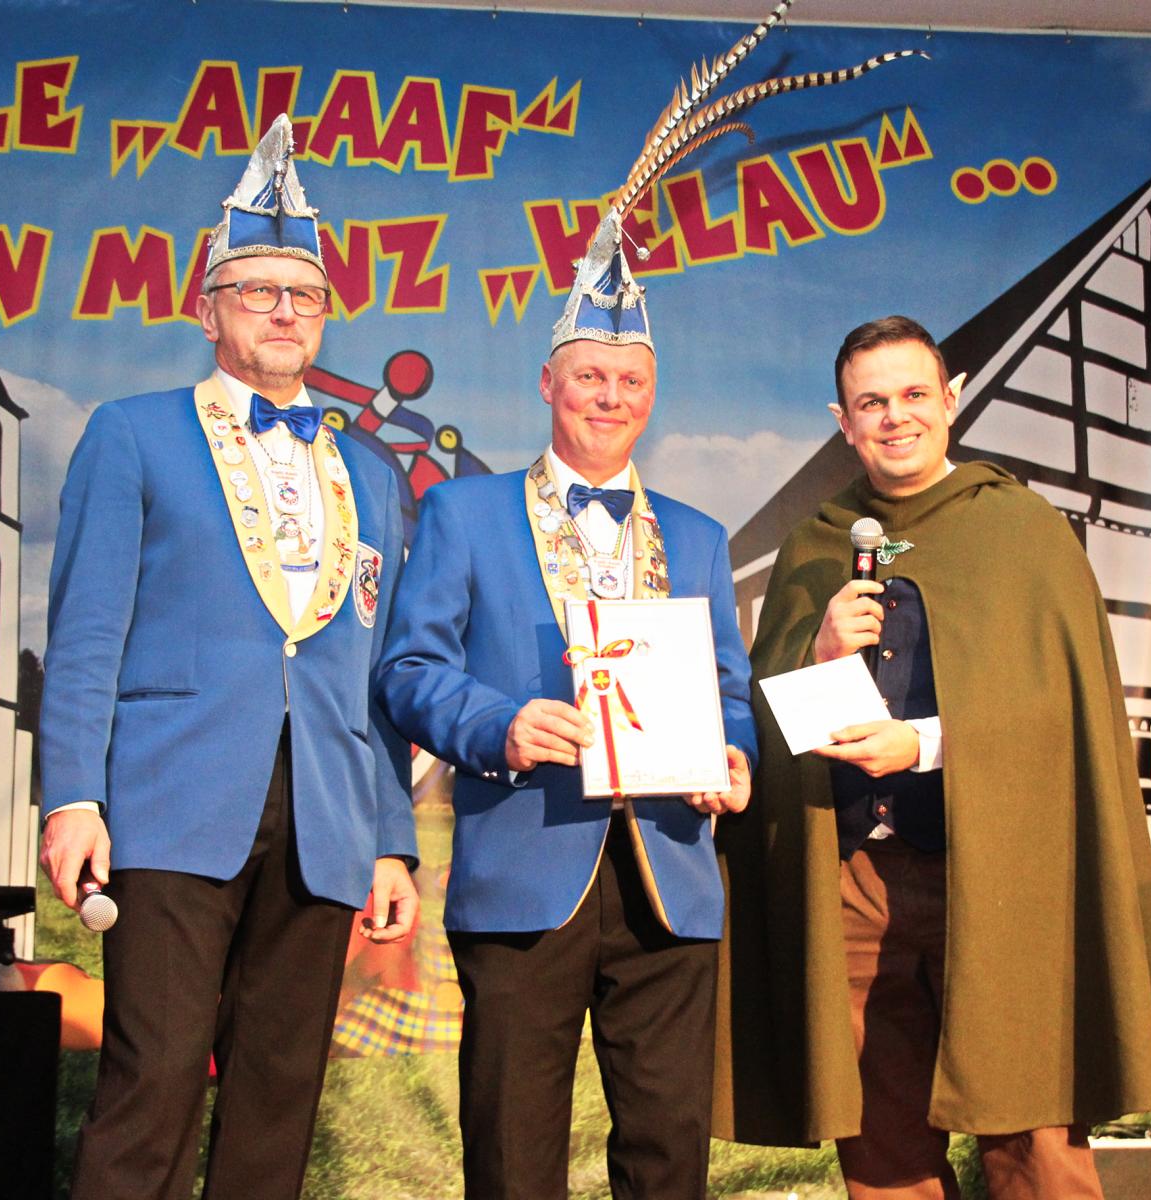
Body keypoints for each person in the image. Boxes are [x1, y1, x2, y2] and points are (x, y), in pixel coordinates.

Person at [714, 316, 1151, 1199]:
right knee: (883, 1150)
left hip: (1000, 874)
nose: (895, 416)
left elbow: (1060, 717)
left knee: (1035, 1144)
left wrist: (926, 744)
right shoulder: (815, 545)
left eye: (913, 395)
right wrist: (818, 650)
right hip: (855, 885)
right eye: (872, 402)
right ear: (843, 422)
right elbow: (771, 725)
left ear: (951, 399)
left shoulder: (1019, 530)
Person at [37, 115, 417, 1200]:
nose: (285, 312)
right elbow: (86, 635)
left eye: (305, 296)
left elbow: (377, 677)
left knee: (278, 1094)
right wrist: (73, 797)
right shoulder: (132, 433)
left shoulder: (373, 472)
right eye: (258, 292)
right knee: (153, 1081)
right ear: (207, 311)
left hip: (327, 817)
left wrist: (391, 839)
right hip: (173, 800)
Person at [377, 197, 757, 1199]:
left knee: (669, 1156)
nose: (609, 397)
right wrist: (498, 725)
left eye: (631, 381)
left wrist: (736, 757)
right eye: (590, 376)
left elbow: (729, 690)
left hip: (670, 875)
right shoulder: (463, 513)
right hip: (524, 867)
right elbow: (409, 672)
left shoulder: (700, 536)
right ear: (549, 382)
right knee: (514, 1156)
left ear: (653, 393)